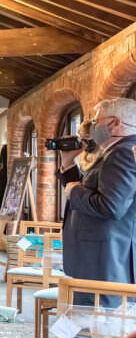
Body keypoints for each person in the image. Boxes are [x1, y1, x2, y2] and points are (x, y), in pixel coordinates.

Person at [59, 99, 136, 286]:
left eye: (97, 121)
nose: (94, 126)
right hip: (97, 257)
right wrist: (68, 163)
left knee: (97, 314)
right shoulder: (113, 152)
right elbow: (90, 187)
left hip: (104, 260)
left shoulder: (123, 153)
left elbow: (111, 206)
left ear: (116, 123)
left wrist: (74, 190)